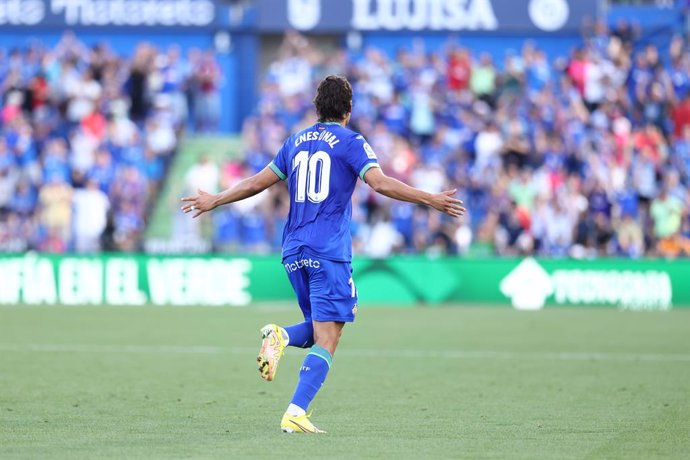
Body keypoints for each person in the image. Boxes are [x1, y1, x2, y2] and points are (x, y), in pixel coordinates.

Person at [180, 75, 465, 433]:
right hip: (327, 250)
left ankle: (281, 338)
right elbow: (379, 182)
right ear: (348, 111)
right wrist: (431, 198)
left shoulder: (295, 141)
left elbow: (257, 182)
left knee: (320, 331)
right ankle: (295, 411)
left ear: (317, 109)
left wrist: (215, 199)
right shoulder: (351, 141)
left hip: (293, 250)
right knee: (329, 337)